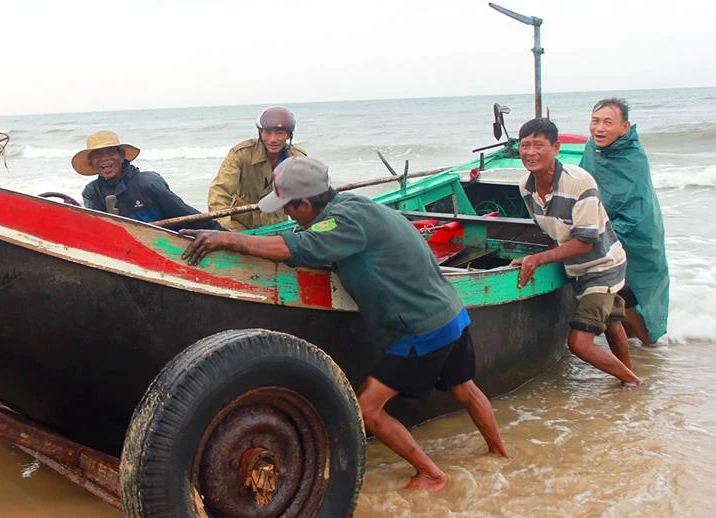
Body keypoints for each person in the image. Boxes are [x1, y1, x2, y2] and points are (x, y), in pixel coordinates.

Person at [182, 157, 509, 493]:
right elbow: (311, 238)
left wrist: (227, 240)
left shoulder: (342, 223)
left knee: (367, 409)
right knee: (464, 388)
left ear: (306, 203)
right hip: (451, 312)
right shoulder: (353, 205)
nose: (288, 216)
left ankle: (432, 475)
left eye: (289, 208)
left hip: (420, 327)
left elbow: (295, 246)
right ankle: (501, 454)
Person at [512, 118, 642, 387]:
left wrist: (538, 259)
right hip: (576, 268)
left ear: (556, 147)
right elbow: (552, 233)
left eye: (539, 145)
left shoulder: (579, 182)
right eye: (525, 146)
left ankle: (632, 381)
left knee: (580, 344)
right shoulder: (525, 186)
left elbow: (585, 241)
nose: (531, 152)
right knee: (612, 321)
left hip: (602, 265)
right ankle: (627, 376)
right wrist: (536, 258)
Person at [578, 98, 669, 345]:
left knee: (634, 299)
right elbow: (582, 188)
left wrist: (600, 235)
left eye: (608, 122)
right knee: (617, 300)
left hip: (637, 238)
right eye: (595, 121)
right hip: (605, 234)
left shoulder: (634, 158)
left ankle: (652, 353)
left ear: (625, 127)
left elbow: (636, 212)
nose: (599, 128)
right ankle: (633, 352)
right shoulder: (591, 149)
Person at [73, 131, 225, 231]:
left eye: (110, 152)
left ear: (121, 156)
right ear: (92, 161)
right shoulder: (91, 192)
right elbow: (97, 230)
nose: (105, 158)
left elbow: (185, 214)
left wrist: (223, 236)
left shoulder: (147, 182)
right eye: (98, 154)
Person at [207, 106, 308, 231]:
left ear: (289, 135)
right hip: (239, 224)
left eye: (279, 133)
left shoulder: (298, 159)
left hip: (277, 225)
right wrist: (223, 229)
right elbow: (220, 192)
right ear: (260, 133)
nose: (273, 139)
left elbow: (309, 197)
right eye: (267, 133)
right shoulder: (241, 154)